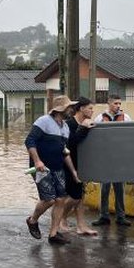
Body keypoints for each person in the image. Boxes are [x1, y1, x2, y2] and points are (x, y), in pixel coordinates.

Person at [25, 95, 81, 245]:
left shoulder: (65, 127)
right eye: (69, 107)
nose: (72, 110)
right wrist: (37, 160)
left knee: (60, 199)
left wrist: (73, 171)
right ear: (60, 109)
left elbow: (64, 151)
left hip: (58, 167)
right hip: (42, 167)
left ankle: (53, 234)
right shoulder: (44, 121)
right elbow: (29, 141)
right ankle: (32, 220)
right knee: (48, 199)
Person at [92, 95, 133, 227]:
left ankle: (121, 216)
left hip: (119, 158)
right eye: (116, 103)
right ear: (109, 104)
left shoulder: (126, 118)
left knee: (119, 188)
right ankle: (104, 216)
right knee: (104, 188)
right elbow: (94, 137)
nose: (118, 106)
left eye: (120, 103)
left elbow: (131, 137)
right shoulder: (99, 118)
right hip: (105, 158)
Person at [61, 97, 98, 236]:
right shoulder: (69, 124)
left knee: (81, 197)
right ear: (81, 109)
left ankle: (81, 226)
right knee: (75, 197)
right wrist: (83, 127)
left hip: (83, 164)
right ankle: (61, 218)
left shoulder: (87, 123)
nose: (92, 111)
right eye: (90, 108)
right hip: (68, 164)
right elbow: (71, 144)